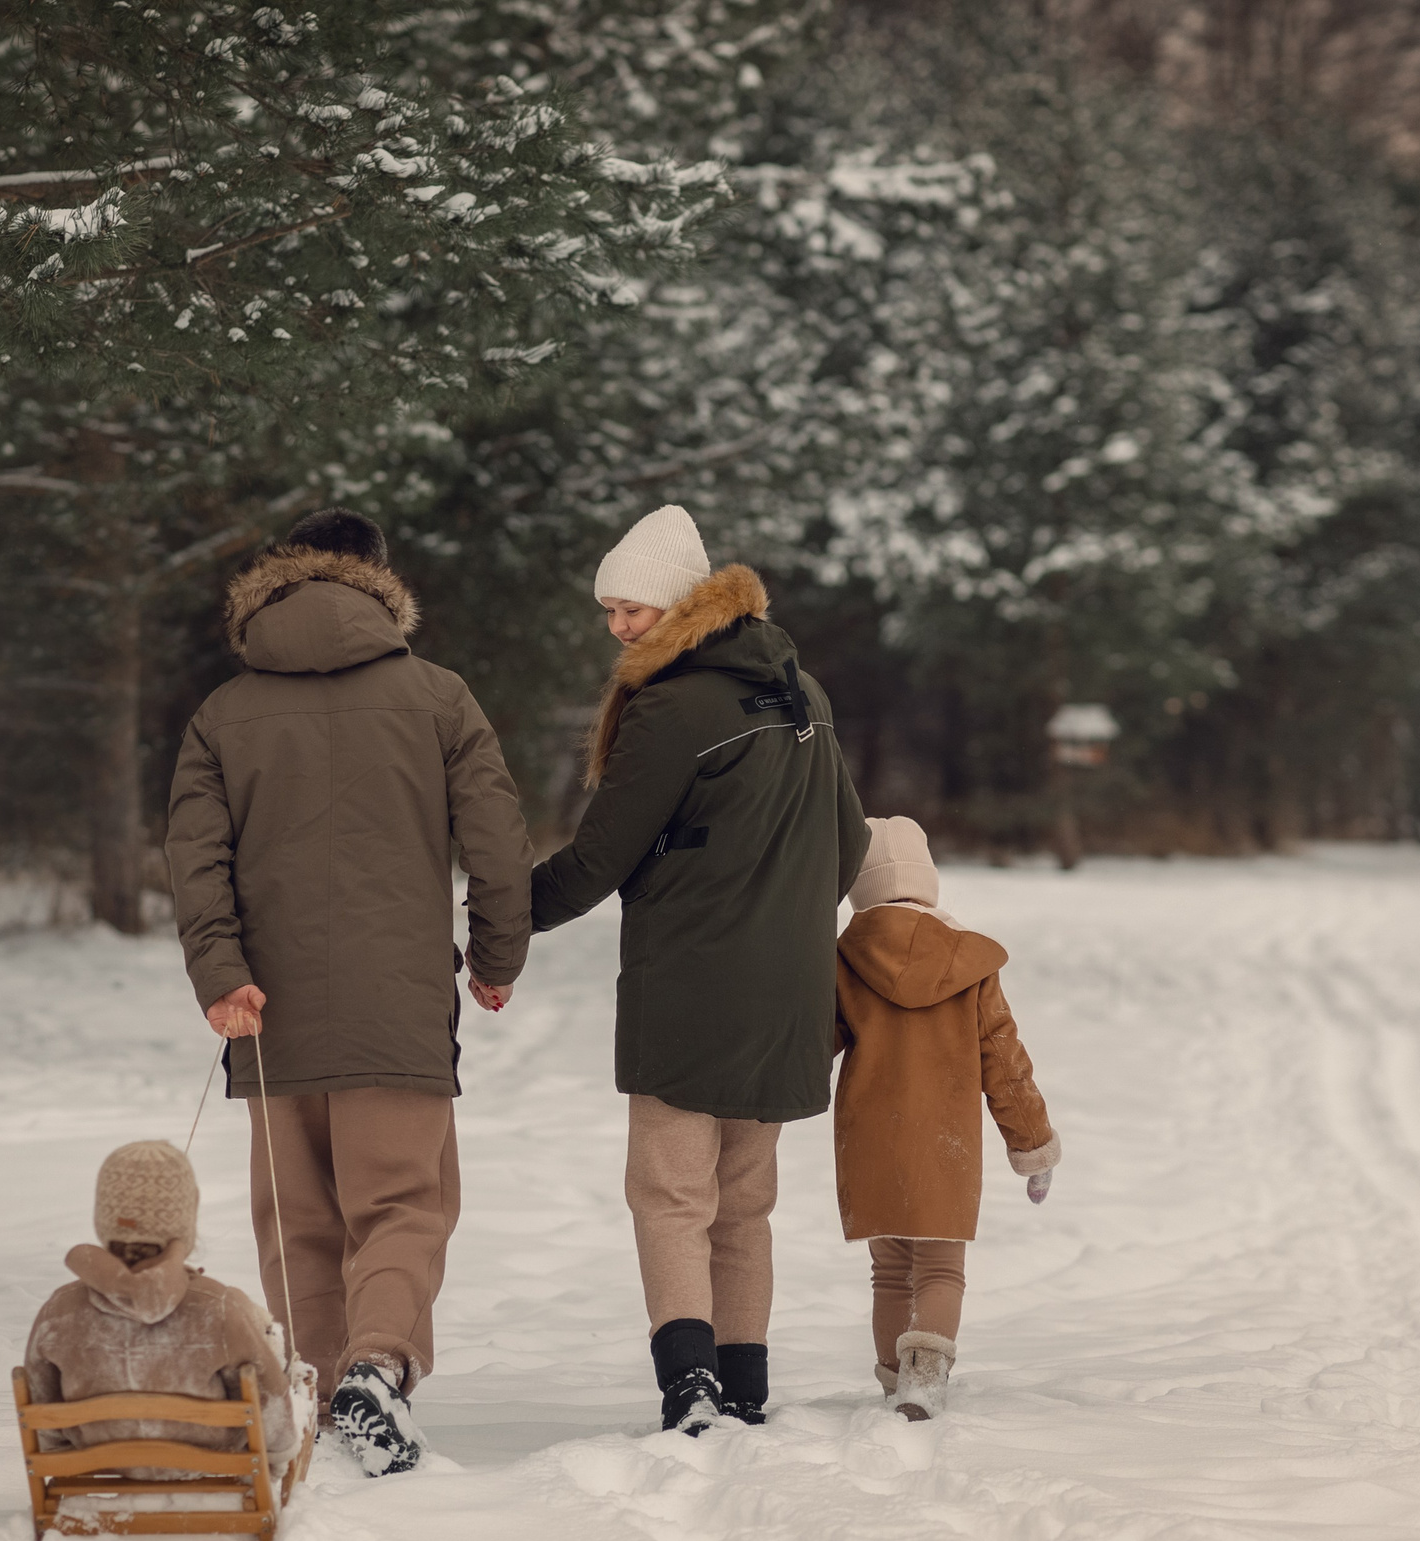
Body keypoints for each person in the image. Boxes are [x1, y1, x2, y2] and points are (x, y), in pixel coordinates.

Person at [164, 508, 532, 1475]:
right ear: (380, 583)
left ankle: (324, 1398)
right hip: (398, 1004)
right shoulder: (440, 697)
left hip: (267, 1010)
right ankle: (376, 1367)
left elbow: (194, 857)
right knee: (404, 1203)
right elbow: (497, 846)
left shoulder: (222, 713)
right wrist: (496, 954)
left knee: (297, 1216)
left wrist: (220, 970)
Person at [530, 504, 871, 1434]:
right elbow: (846, 849)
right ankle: (744, 1384)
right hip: (787, 989)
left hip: (687, 985)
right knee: (746, 1199)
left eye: (632, 608)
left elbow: (598, 859)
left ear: (683, 601)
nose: (618, 627)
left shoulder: (673, 707)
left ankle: (690, 1387)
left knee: (673, 1192)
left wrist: (500, 919)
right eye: (609, 610)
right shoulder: (806, 694)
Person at [832, 816, 1060, 1419]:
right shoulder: (969, 964)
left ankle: (892, 1382)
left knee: (888, 1271)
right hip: (946, 1143)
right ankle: (924, 1378)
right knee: (939, 1267)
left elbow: (809, 1044)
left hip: (870, 1140)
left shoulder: (844, 959)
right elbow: (1004, 1063)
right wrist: (1032, 1144)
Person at [23, 1140, 301, 1467]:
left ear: (104, 1217)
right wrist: (279, 1456)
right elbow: (270, 1404)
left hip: (99, 1459)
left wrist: (61, 1459)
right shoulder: (218, 1305)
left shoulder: (59, 1310)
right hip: (208, 1460)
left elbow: (41, 1402)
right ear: (184, 1220)